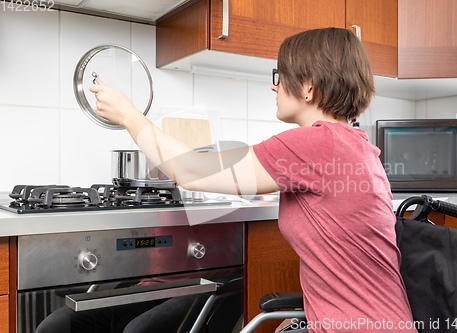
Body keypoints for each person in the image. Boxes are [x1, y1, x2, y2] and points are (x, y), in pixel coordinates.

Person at [86, 27, 417, 333]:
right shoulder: (354, 145)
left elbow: (190, 171)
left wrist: (129, 116)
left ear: (308, 87)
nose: (274, 85)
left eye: (280, 74)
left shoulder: (314, 144)